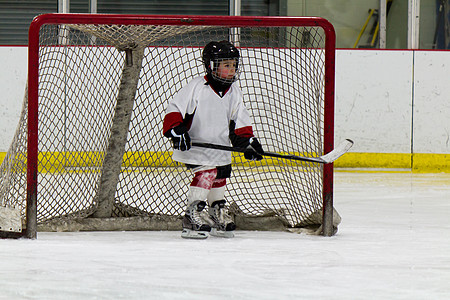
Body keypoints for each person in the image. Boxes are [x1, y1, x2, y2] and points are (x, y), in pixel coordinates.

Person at [163, 40, 264, 239]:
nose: (232, 69)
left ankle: (216, 212)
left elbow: (240, 122)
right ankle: (192, 215)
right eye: (226, 65)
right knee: (207, 173)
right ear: (211, 66)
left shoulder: (234, 92)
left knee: (220, 176)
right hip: (194, 146)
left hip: (220, 148)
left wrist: (248, 143)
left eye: (234, 65)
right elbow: (175, 108)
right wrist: (176, 130)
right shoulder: (197, 86)